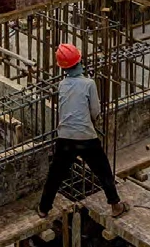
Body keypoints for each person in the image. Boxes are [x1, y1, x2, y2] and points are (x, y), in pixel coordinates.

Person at [38, 43, 129, 219]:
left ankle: (43, 208)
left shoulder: (62, 85)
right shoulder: (89, 84)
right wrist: (91, 122)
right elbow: (95, 111)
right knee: (103, 171)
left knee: (55, 175)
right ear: (79, 61)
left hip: (65, 137)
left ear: (63, 67)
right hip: (86, 137)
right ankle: (115, 205)